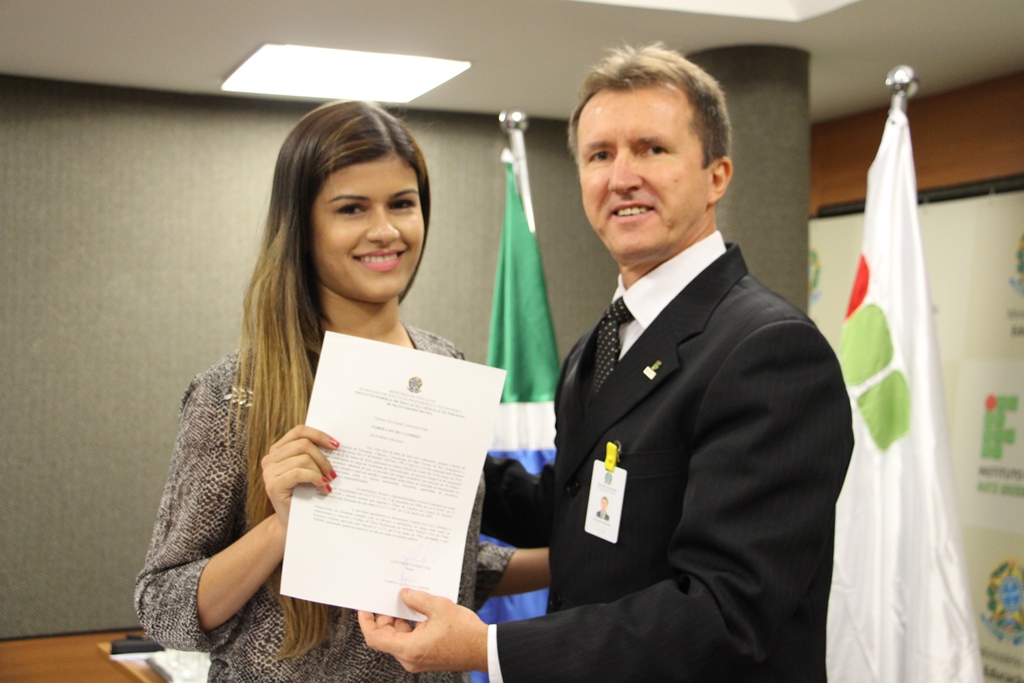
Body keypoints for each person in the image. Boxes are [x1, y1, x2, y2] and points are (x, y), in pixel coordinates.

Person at [359, 43, 854, 682]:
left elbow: (728, 611)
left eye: (651, 148)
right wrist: (412, 453)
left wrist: (490, 651)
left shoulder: (770, 351)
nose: (622, 176)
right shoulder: (603, 342)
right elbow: (573, 500)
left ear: (717, 176)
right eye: (600, 155)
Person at [135, 100, 546, 682]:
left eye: (402, 204)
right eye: (352, 208)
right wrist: (282, 528)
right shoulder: (235, 393)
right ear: (303, 227)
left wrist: (579, 562)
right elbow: (163, 607)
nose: (385, 230)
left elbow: (434, 565)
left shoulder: (445, 365)